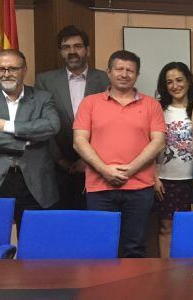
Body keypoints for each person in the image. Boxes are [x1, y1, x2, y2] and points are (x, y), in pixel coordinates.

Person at [73, 50, 166, 258]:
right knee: (100, 247)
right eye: (119, 69)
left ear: (137, 75)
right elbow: (79, 142)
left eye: (130, 70)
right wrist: (105, 170)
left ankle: (131, 291)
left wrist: (130, 170)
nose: (124, 74)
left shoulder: (152, 105)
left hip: (140, 187)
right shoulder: (90, 103)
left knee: (135, 247)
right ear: (109, 72)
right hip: (99, 187)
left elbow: (158, 141)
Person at [0, 49, 60, 231]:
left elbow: (52, 126)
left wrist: (9, 126)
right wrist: (25, 142)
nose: (6, 74)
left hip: (34, 183)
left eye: (13, 68)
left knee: (35, 243)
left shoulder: (42, 98)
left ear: (25, 69)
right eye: (1, 69)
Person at [35, 25, 109, 210]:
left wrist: (88, 158)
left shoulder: (105, 80)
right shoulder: (45, 80)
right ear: (60, 51)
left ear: (88, 50)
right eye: (66, 47)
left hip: (98, 163)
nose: (72, 51)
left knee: (92, 220)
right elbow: (41, 123)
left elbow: (109, 125)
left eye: (77, 46)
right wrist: (60, 160)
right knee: (61, 221)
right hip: (57, 165)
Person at [153, 62, 193, 258]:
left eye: (179, 80)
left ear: (188, 81)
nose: (175, 85)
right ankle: (167, 272)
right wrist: (154, 176)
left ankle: (189, 272)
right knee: (166, 227)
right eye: (169, 82)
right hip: (166, 178)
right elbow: (149, 144)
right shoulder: (158, 108)